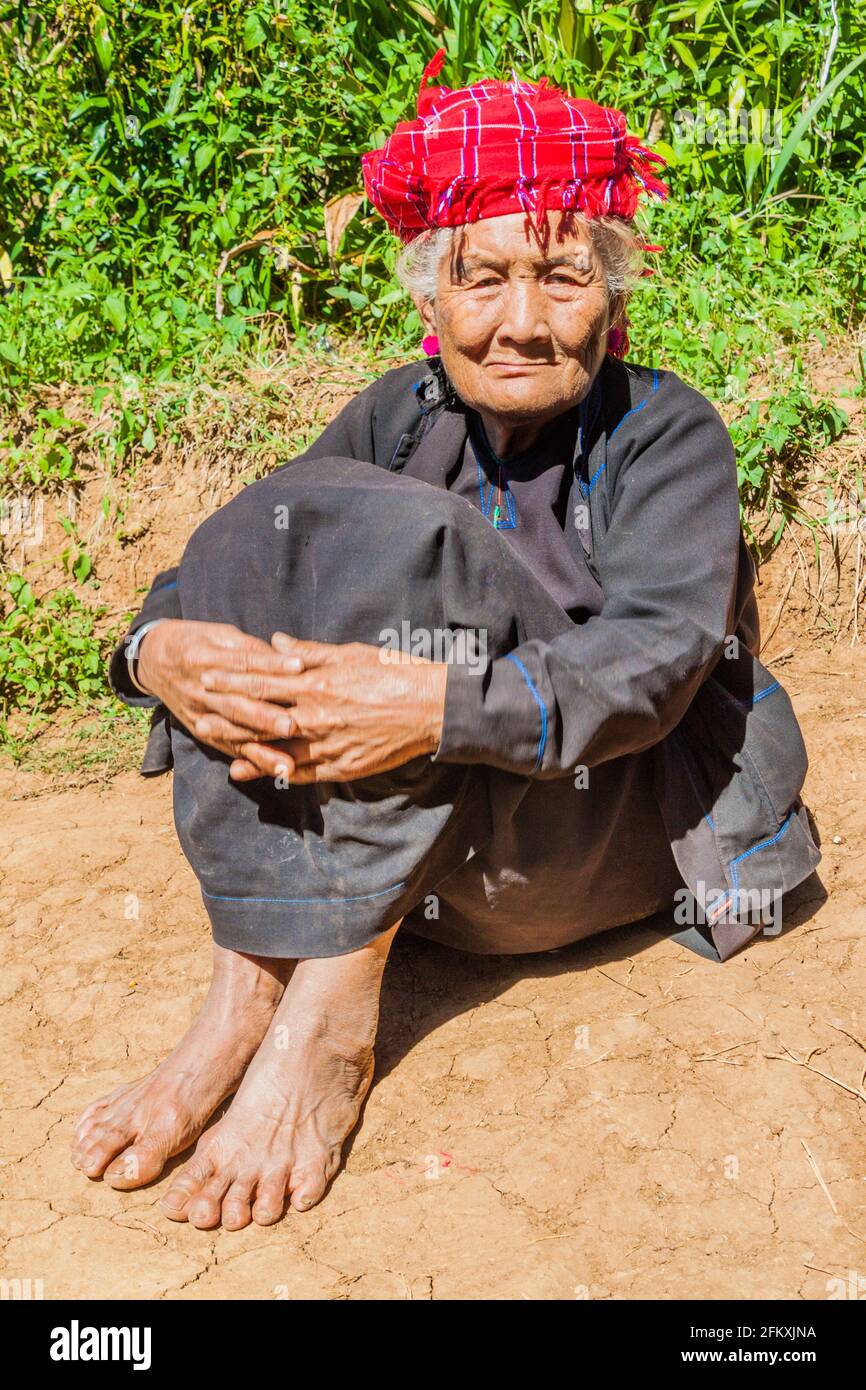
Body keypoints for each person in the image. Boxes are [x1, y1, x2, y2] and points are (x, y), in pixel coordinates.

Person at [71, 51, 820, 1229]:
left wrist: (430, 705)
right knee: (276, 526)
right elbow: (230, 562)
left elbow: (658, 657)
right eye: (483, 281)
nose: (521, 322)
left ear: (611, 304)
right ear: (429, 303)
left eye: (562, 279)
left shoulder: (664, 430)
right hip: (446, 851)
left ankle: (323, 1021)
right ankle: (239, 1003)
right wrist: (152, 647)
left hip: (580, 837)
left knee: (421, 552)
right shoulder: (396, 410)